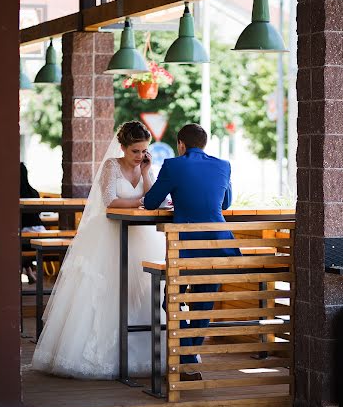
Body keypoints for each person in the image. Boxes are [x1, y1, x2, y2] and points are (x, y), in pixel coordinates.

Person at [31, 121, 165, 379]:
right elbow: (110, 201)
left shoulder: (146, 167)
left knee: (143, 289)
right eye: (135, 151)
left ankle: (147, 355)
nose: (140, 156)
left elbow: (153, 198)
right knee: (104, 290)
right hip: (109, 234)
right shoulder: (111, 166)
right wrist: (140, 202)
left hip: (140, 235)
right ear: (123, 147)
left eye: (144, 151)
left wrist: (147, 173)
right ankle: (101, 357)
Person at [144, 123, 241, 381]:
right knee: (203, 304)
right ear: (204, 144)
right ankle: (190, 355)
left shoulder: (173, 165)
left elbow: (151, 202)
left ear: (181, 144)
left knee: (170, 301)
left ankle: (186, 356)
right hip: (218, 246)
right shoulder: (223, 165)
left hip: (185, 247)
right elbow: (226, 203)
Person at [20, 162, 46, 283]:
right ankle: (29, 270)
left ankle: (27, 270)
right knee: (23, 238)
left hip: (24, 235)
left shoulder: (12, 193)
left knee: (17, 239)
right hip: (41, 232)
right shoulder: (34, 192)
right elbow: (39, 212)